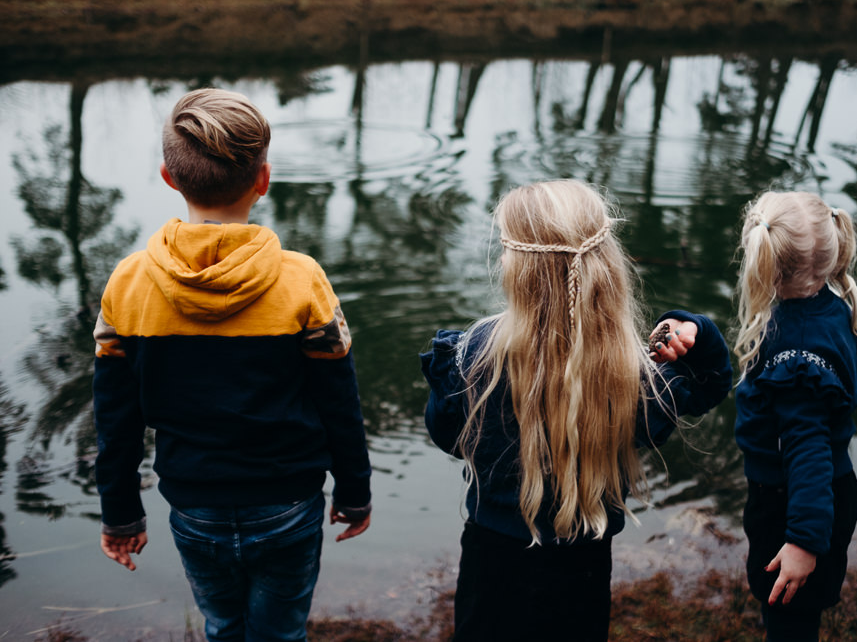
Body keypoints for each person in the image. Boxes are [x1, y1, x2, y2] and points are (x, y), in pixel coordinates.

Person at [92, 88, 373, 642]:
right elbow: (338, 399)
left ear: (169, 178)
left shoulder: (128, 283)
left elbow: (115, 418)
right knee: (281, 632)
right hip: (288, 502)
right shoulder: (302, 279)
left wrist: (121, 513)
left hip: (194, 505)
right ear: (263, 180)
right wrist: (355, 490)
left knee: (222, 626)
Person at [420, 179, 732, 642]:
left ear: (519, 271)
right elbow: (710, 384)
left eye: (505, 248)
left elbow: (446, 434)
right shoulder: (631, 377)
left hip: (493, 559)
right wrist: (698, 332)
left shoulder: (472, 357)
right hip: (583, 560)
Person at [732, 190, 857, 642]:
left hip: (796, 504)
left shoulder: (796, 352)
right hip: (813, 495)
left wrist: (802, 542)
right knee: (794, 619)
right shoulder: (826, 307)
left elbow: (809, 450)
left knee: (789, 620)